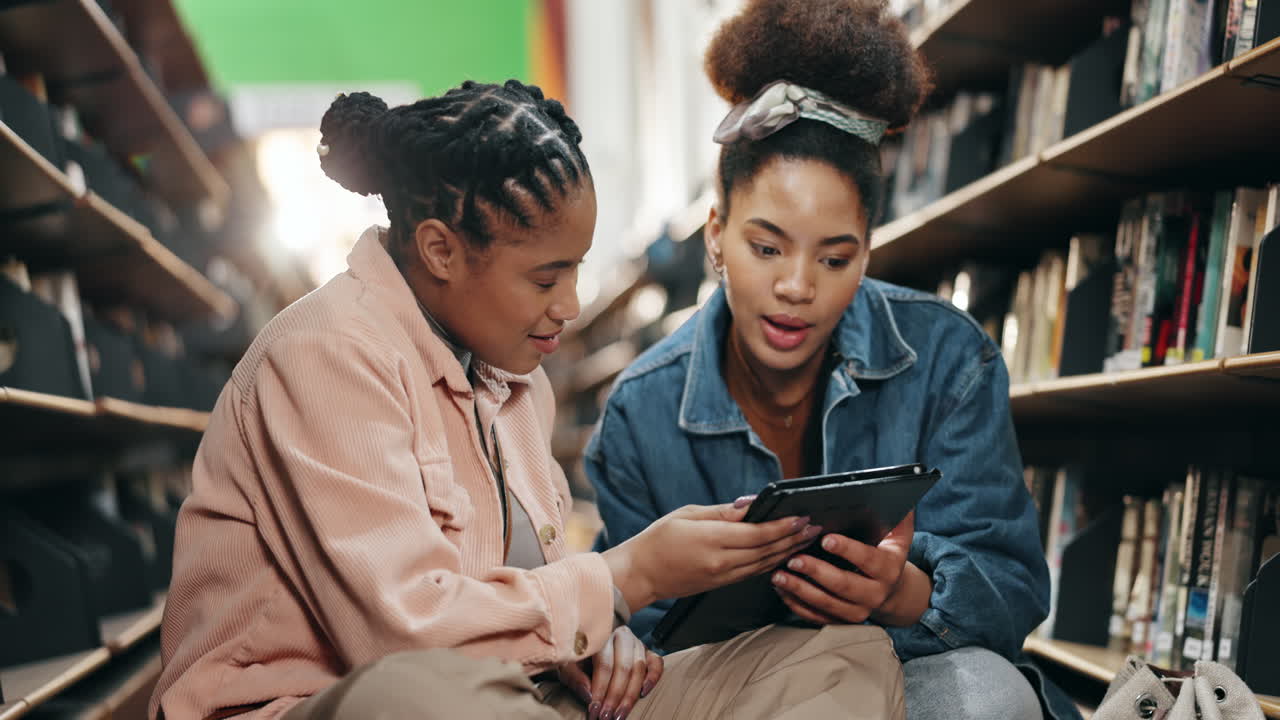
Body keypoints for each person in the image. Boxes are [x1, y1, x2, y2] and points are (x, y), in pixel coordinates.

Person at [149, 80, 905, 720]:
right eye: (546, 278)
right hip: (348, 701)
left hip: (517, 691)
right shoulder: (324, 357)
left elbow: (521, 588)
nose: (570, 305)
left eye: (575, 270)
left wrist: (599, 632)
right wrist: (623, 580)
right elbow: (404, 641)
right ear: (442, 250)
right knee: (425, 695)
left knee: (841, 654)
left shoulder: (515, 377)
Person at [585, 2, 1082, 719]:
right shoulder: (641, 409)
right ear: (717, 234)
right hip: (738, 701)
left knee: (986, 696)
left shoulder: (949, 359)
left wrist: (901, 596)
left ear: (868, 251)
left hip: (909, 682)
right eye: (766, 247)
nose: (797, 287)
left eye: (835, 257)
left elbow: (1011, 593)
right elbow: (635, 640)